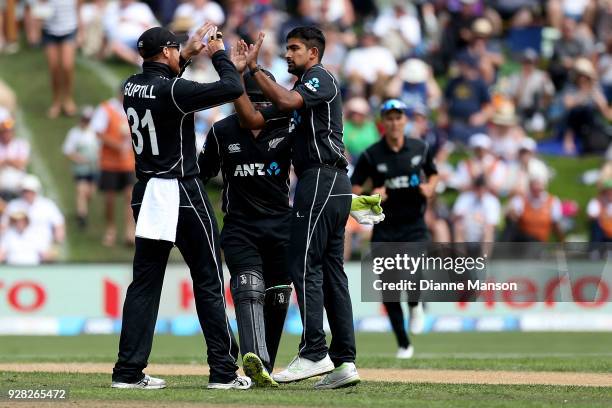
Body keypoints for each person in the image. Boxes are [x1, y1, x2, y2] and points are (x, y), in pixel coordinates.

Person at [111, 24, 250, 390]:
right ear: (167, 52)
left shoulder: (130, 86)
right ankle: (222, 372)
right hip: (180, 191)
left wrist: (186, 53)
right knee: (208, 280)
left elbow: (165, 87)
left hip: (147, 191)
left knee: (144, 284)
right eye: (176, 50)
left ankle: (127, 372)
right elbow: (232, 88)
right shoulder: (172, 90)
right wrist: (218, 52)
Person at [234, 26, 361, 389]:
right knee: (332, 271)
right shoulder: (302, 93)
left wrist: (256, 69)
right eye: (287, 48)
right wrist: (241, 74)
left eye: (294, 48)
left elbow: (288, 103)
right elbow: (255, 120)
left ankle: (313, 350)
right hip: (331, 184)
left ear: (314, 53)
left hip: (320, 180)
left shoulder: (319, 78)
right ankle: (344, 362)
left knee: (301, 263)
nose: (288, 54)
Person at [198, 69, 293, 387]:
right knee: (248, 287)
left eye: (263, 104)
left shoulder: (288, 128)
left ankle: (264, 365)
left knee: (278, 295)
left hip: (281, 226)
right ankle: (254, 362)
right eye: (250, 103)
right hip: (240, 226)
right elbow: (202, 173)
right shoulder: (222, 131)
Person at [351, 99, 439, 359]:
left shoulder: (420, 148)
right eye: (389, 118)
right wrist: (372, 194)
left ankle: (415, 304)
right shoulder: (371, 154)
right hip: (385, 228)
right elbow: (354, 191)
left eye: (398, 117)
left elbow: (433, 173)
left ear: (405, 120)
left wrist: (431, 187)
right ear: (383, 122)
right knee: (389, 291)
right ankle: (404, 344)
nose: (394, 122)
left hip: (414, 225)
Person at [90, 88, 135, 247]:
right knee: (109, 198)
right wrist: (117, 146)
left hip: (128, 162)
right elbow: (98, 132)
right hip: (109, 161)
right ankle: (110, 229)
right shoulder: (106, 108)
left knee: (130, 196)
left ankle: (129, 231)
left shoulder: (134, 108)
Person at [1, 175, 65, 252]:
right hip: (16, 244)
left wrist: (56, 245)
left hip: (41, 245)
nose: (27, 194)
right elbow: (3, 225)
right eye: (25, 191)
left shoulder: (47, 205)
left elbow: (58, 225)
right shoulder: (13, 205)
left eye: (30, 191)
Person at [42, 0, 80, 118]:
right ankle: (56, 101)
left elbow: (79, 8)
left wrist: (81, 31)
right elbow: (39, 6)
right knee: (54, 68)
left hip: (69, 29)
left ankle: (68, 99)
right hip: (49, 30)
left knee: (67, 66)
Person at [62, 106, 99, 228]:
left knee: (91, 193)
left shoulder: (95, 132)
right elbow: (67, 150)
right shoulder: (74, 133)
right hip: (81, 169)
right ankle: (82, 216)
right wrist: (78, 158)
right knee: (81, 191)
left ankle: (83, 210)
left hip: (94, 168)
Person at [0, 107, 29, 201]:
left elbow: (22, 164)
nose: (7, 134)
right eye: (4, 132)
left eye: (9, 131)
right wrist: (10, 161)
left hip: (17, 177)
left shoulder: (21, 144)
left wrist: (6, 161)